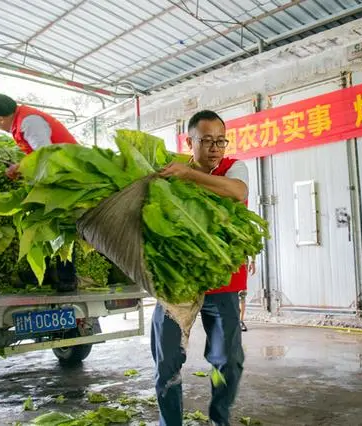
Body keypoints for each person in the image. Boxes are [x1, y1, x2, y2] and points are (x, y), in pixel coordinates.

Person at [154, 110, 249, 426]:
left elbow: (238, 192)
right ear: (188, 141)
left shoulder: (234, 167)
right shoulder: (168, 171)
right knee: (167, 361)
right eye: (206, 141)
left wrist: (189, 175)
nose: (215, 148)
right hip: (176, 285)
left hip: (222, 284)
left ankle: (219, 418)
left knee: (229, 362)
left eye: (220, 141)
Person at [0, 93, 77, 178]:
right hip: (63, 164)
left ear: (0, 119)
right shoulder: (21, 117)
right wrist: (20, 167)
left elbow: (46, 154)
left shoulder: (28, 122)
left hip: (72, 167)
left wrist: (23, 167)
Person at [239, 259, 256, 332]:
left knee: (242, 293)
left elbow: (253, 249)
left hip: (242, 260)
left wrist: (253, 261)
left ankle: (240, 321)